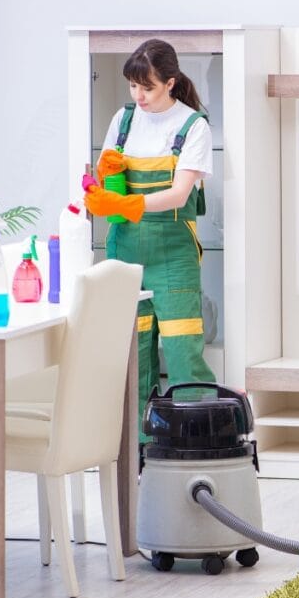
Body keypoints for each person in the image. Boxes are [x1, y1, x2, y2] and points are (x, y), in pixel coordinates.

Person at [83, 38, 216, 442]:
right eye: (133, 87)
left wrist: (127, 203)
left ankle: (190, 444)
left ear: (170, 83)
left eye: (148, 87)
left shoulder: (193, 126)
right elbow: (105, 180)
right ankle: (134, 453)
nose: (138, 96)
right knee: (131, 354)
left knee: (182, 352)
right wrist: (96, 186)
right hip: (123, 254)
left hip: (172, 255)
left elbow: (179, 195)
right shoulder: (122, 121)